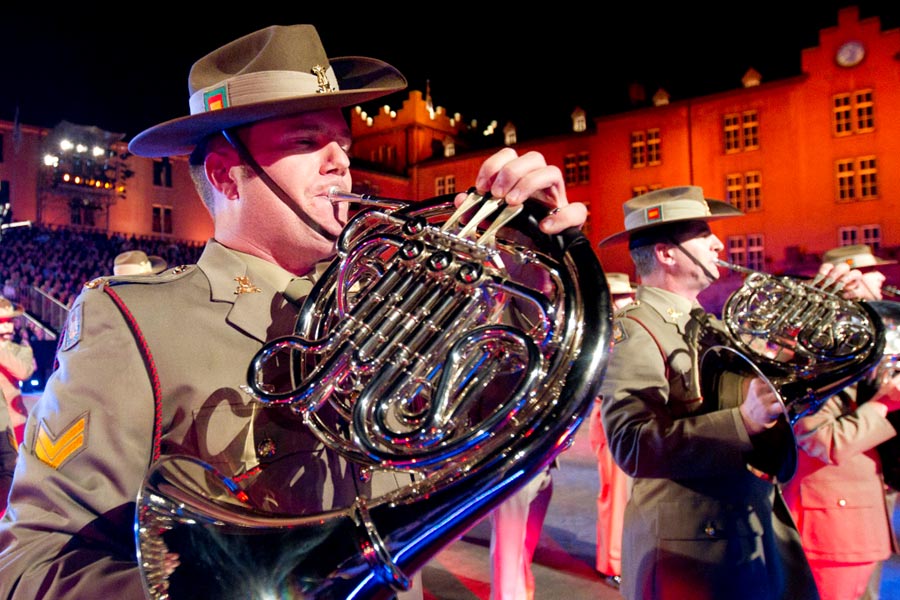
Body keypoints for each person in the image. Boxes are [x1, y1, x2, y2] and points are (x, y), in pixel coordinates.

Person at [0, 24, 588, 599]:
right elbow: (31, 567)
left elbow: (503, 428)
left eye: (344, 144)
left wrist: (535, 267)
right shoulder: (134, 324)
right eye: (307, 142)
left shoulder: (386, 299)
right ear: (228, 179)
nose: (341, 161)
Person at [595, 185, 843, 600]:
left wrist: (826, 305)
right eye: (701, 233)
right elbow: (630, 446)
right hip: (692, 552)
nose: (718, 243)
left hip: (739, 534)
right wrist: (740, 422)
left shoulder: (712, 325)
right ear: (666, 253)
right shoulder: (636, 329)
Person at [781, 243, 900, 600]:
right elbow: (822, 439)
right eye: (867, 273)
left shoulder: (863, 345)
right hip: (835, 522)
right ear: (844, 286)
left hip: (859, 517)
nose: (881, 277)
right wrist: (888, 401)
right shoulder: (817, 349)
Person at [587, 272, 635, 590]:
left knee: (627, 495)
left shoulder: (627, 326)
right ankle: (613, 562)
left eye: (624, 297)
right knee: (616, 494)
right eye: (615, 298)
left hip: (629, 412)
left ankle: (622, 558)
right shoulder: (604, 331)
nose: (623, 303)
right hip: (612, 412)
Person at [0, 296, 36, 515]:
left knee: (12, 473)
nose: (8, 326)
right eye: (4, 321)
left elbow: (23, 372)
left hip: (13, 424)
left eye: (10, 321)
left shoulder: (21, 349)